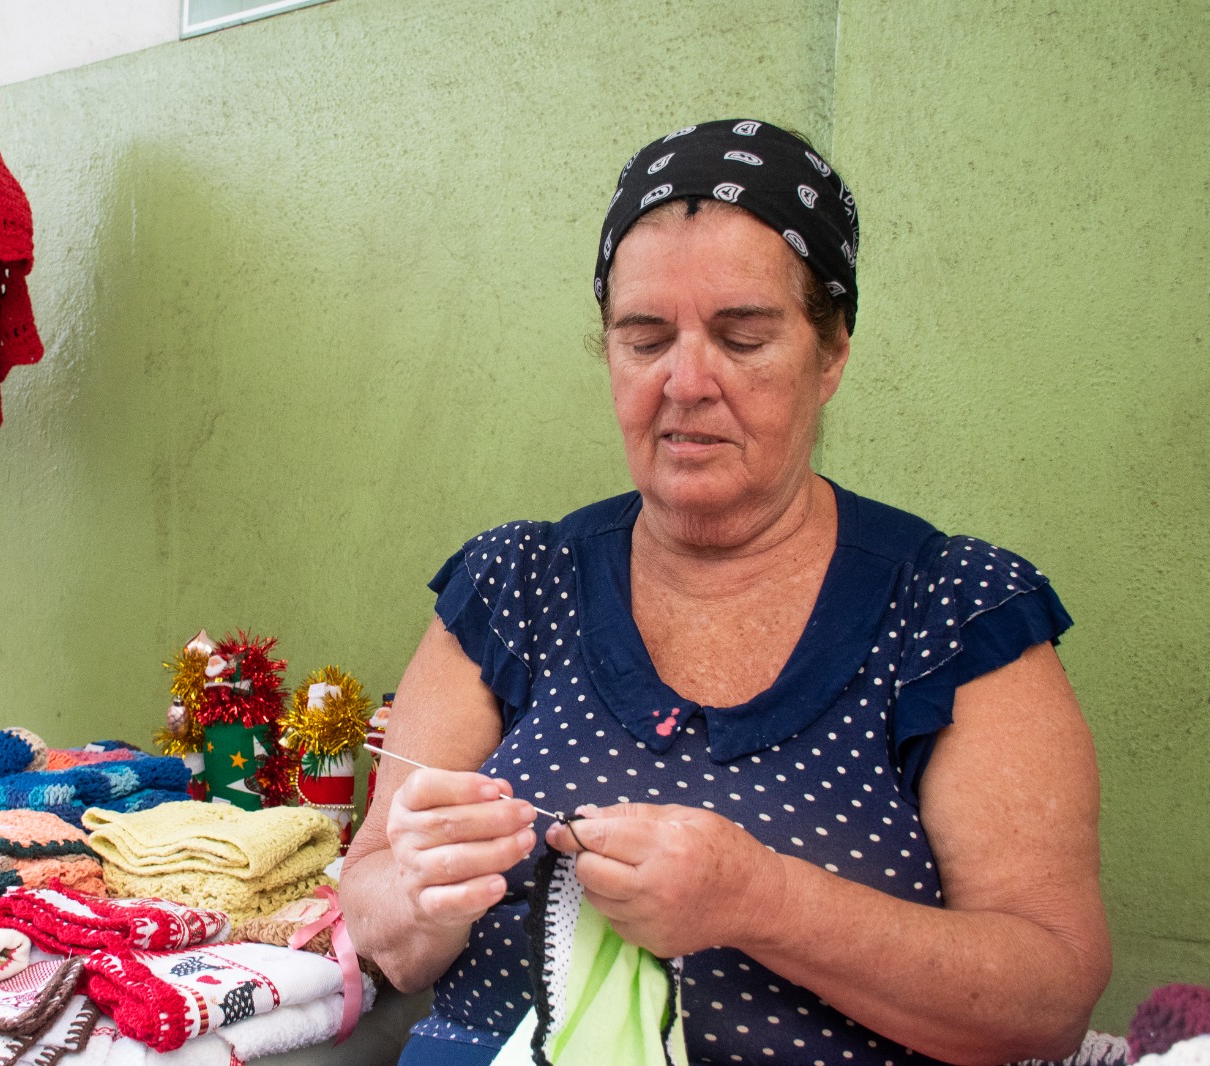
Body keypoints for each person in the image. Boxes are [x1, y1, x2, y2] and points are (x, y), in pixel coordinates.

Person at [339, 119, 1110, 1065]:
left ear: (831, 356)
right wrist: (417, 896)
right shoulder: (511, 587)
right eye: (645, 338)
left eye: (743, 337)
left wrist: (762, 901)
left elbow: (1046, 996)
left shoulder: (956, 613)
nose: (685, 381)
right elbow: (376, 905)